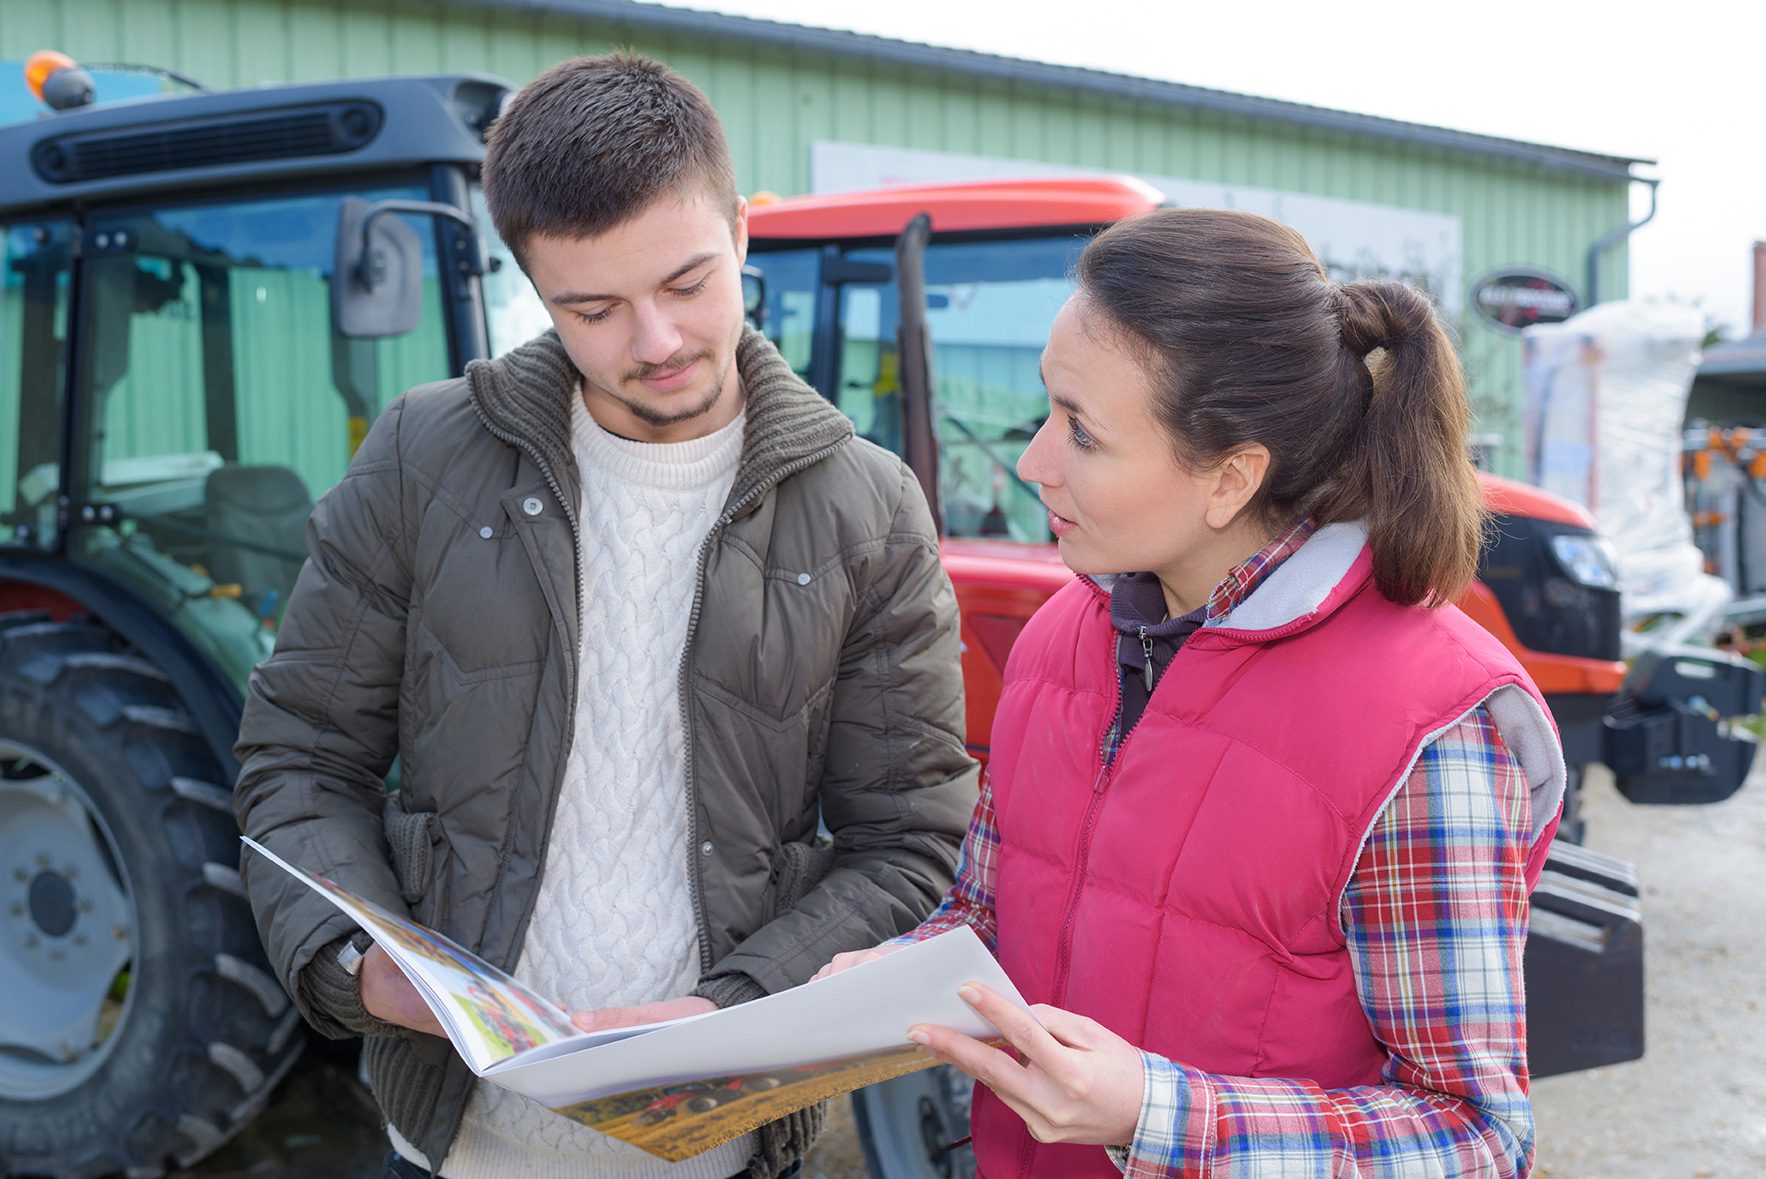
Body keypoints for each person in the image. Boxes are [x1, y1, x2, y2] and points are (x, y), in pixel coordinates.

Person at [234, 52, 976, 1179]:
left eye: (686, 284)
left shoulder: (868, 507)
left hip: (713, 1141)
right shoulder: (422, 457)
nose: (657, 342)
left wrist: (733, 1011)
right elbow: (299, 756)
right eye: (593, 308)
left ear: (738, 230)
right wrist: (352, 956)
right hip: (451, 1133)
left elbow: (906, 843)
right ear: (534, 289)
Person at [817, 207, 1566, 1176]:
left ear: (1229, 478)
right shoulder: (1058, 641)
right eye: (1046, 407)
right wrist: (899, 970)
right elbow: (990, 909)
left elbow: (1474, 1136)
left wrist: (1153, 1114)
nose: (1031, 461)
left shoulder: (1429, 733)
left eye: (1080, 433)